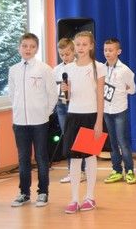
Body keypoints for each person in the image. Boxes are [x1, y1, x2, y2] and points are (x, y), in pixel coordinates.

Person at [9, 33, 57, 207]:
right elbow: (12, 94)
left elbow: (53, 94)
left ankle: (43, 192)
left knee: (41, 157)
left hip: (40, 122)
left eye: (32, 46)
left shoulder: (44, 69)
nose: (28, 49)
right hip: (20, 122)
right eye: (24, 46)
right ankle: (24, 193)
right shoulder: (13, 70)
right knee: (23, 158)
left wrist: (45, 113)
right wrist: (17, 110)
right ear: (19, 48)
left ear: (36, 49)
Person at [60, 31, 106, 213]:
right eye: (78, 44)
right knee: (74, 159)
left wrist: (99, 121)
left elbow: (100, 96)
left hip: (90, 116)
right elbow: (68, 98)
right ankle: (74, 199)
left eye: (84, 44)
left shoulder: (98, 67)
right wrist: (66, 90)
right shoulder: (69, 68)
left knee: (89, 157)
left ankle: (90, 197)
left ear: (91, 46)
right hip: (73, 116)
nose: (80, 48)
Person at [101, 38, 136, 184]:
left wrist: (124, 89)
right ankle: (116, 170)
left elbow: (133, 89)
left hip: (120, 110)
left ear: (118, 51)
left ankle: (130, 170)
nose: (107, 53)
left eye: (111, 50)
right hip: (106, 110)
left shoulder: (125, 70)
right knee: (112, 142)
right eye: (105, 50)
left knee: (123, 141)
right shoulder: (101, 69)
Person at [53, 38, 85, 184]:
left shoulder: (80, 67)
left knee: (79, 138)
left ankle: (82, 171)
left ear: (74, 52)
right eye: (61, 54)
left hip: (76, 106)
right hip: (61, 105)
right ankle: (71, 172)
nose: (64, 57)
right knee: (68, 138)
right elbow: (53, 89)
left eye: (67, 54)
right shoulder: (56, 70)